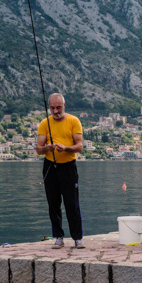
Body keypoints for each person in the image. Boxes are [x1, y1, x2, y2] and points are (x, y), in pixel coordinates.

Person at [36, 93, 84, 249]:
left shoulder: (73, 121)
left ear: (64, 105)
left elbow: (80, 146)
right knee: (53, 203)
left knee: (72, 204)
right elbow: (38, 149)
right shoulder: (45, 123)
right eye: (52, 108)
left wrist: (66, 148)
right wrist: (47, 148)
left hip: (68, 167)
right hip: (50, 166)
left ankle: (77, 238)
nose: (55, 111)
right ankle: (58, 237)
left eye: (58, 107)